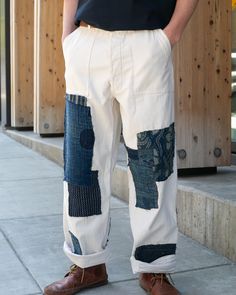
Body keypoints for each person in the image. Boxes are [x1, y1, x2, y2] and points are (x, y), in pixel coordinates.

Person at [44, 1, 199, 294]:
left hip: (148, 44)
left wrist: (171, 35)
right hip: (88, 43)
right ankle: (87, 263)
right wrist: (69, 36)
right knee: (82, 163)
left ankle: (154, 268)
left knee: (153, 165)